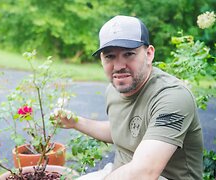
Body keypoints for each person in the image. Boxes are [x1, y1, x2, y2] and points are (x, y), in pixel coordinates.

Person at [55, 15, 203, 179]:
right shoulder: (113, 90)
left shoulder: (173, 97)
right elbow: (123, 131)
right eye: (109, 56)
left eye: (129, 54)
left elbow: (144, 172)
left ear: (149, 54)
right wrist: (75, 122)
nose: (118, 66)